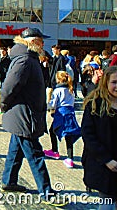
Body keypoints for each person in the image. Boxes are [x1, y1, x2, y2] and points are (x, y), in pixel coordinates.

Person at [0, 28, 62, 205]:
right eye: (41, 42)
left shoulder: (29, 58)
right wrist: (3, 105)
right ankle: (47, 192)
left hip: (25, 116)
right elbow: (9, 87)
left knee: (15, 151)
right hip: (24, 117)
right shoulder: (25, 60)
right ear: (34, 42)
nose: (44, 45)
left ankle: (8, 181)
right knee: (35, 155)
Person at [81, 66, 117, 208]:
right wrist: (106, 159)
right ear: (106, 83)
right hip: (103, 164)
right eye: (114, 82)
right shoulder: (95, 104)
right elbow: (88, 135)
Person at [44, 71, 81, 168]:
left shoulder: (57, 90)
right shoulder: (70, 89)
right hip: (70, 113)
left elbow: (53, 104)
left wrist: (47, 104)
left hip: (61, 114)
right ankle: (70, 158)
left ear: (59, 79)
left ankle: (55, 151)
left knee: (52, 130)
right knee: (69, 135)